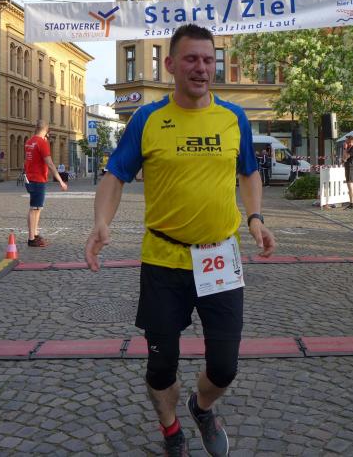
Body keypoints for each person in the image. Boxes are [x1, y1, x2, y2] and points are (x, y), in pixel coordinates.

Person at [84, 24, 275, 457]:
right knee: (160, 367)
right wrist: (101, 222)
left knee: (224, 368)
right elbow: (115, 175)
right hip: (163, 260)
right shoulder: (148, 119)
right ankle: (171, 430)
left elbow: (248, 172)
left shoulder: (233, 118)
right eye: (191, 59)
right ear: (170, 64)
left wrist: (255, 219)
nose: (201, 68)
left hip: (219, 258)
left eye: (208, 59)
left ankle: (201, 407)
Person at [24, 120, 68, 247]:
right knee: (35, 209)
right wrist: (61, 181)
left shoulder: (29, 141)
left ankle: (35, 234)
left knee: (36, 208)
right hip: (38, 179)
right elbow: (50, 163)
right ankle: (31, 238)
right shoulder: (42, 143)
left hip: (30, 177)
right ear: (46, 130)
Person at [342, 135, 353, 209]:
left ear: (351, 141)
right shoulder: (350, 148)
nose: (345, 141)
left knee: (350, 185)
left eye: (347, 140)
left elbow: (346, 157)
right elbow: (344, 158)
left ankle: (352, 203)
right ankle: (352, 202)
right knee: (351, 185)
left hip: (350, 168)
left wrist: (345, 148)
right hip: (349, 167)